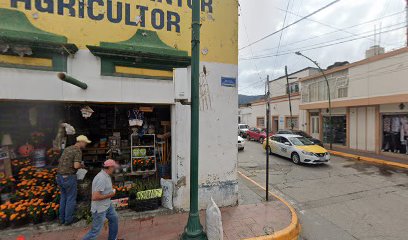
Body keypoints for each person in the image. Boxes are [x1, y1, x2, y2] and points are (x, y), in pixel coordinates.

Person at [56, 135, 91, 226]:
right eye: (85, 143)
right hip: (69, 177)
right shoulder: (77, 150)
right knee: (71, 198)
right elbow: (76, 166)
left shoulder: (68, 148)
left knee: (63, 197)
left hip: (60, 176)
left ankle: (61, 219)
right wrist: (82, 166)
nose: (86, 144)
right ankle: (68, 220)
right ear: (81, 142)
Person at [83, 159, 120, 240]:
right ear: (109, 167)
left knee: (114, 218)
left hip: (107, 205)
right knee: (95, 231)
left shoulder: (106, 175)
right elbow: (95, 197)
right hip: (100, 209)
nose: (114, 169)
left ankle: (113, 238)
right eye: (113, 167)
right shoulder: (101, 178)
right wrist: (111, 194)